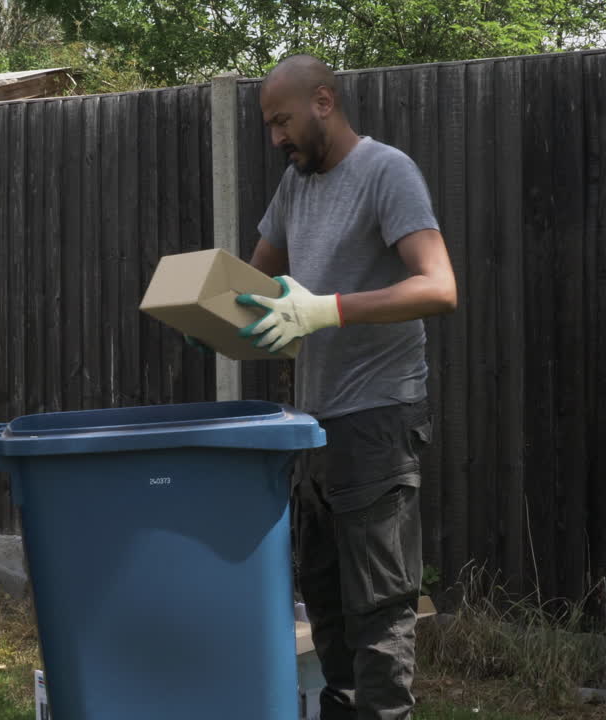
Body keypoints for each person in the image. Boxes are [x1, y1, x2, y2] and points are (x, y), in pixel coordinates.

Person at [235, 53, 458, 720]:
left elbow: (438, 287)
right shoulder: (296, 186)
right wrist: (215, 319)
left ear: (324, 102)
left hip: (379, 420)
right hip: (315, 424)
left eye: (283, 120)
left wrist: (327, 308)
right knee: (325, 602)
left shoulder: (387, 172)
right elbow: (252, 287)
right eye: (269, 125)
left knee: (380, 607)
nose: (276, 136)